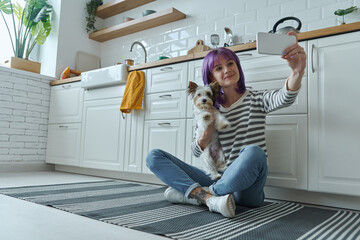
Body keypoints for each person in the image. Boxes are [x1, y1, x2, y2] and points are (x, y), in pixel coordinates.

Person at [146, 32, 306, 218]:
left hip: (247, 190)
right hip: (215, 176)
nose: (227, 70)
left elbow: (285, 98)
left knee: (255, 152)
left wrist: (297, 71)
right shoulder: (206, 109)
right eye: (218, 68)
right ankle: (209, 197)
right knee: (154, 156)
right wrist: (205, 135)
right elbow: (196, 152)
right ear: (211, 77)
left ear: (237, 66)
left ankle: (197, 195)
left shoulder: (257, 99)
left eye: (230, 64)